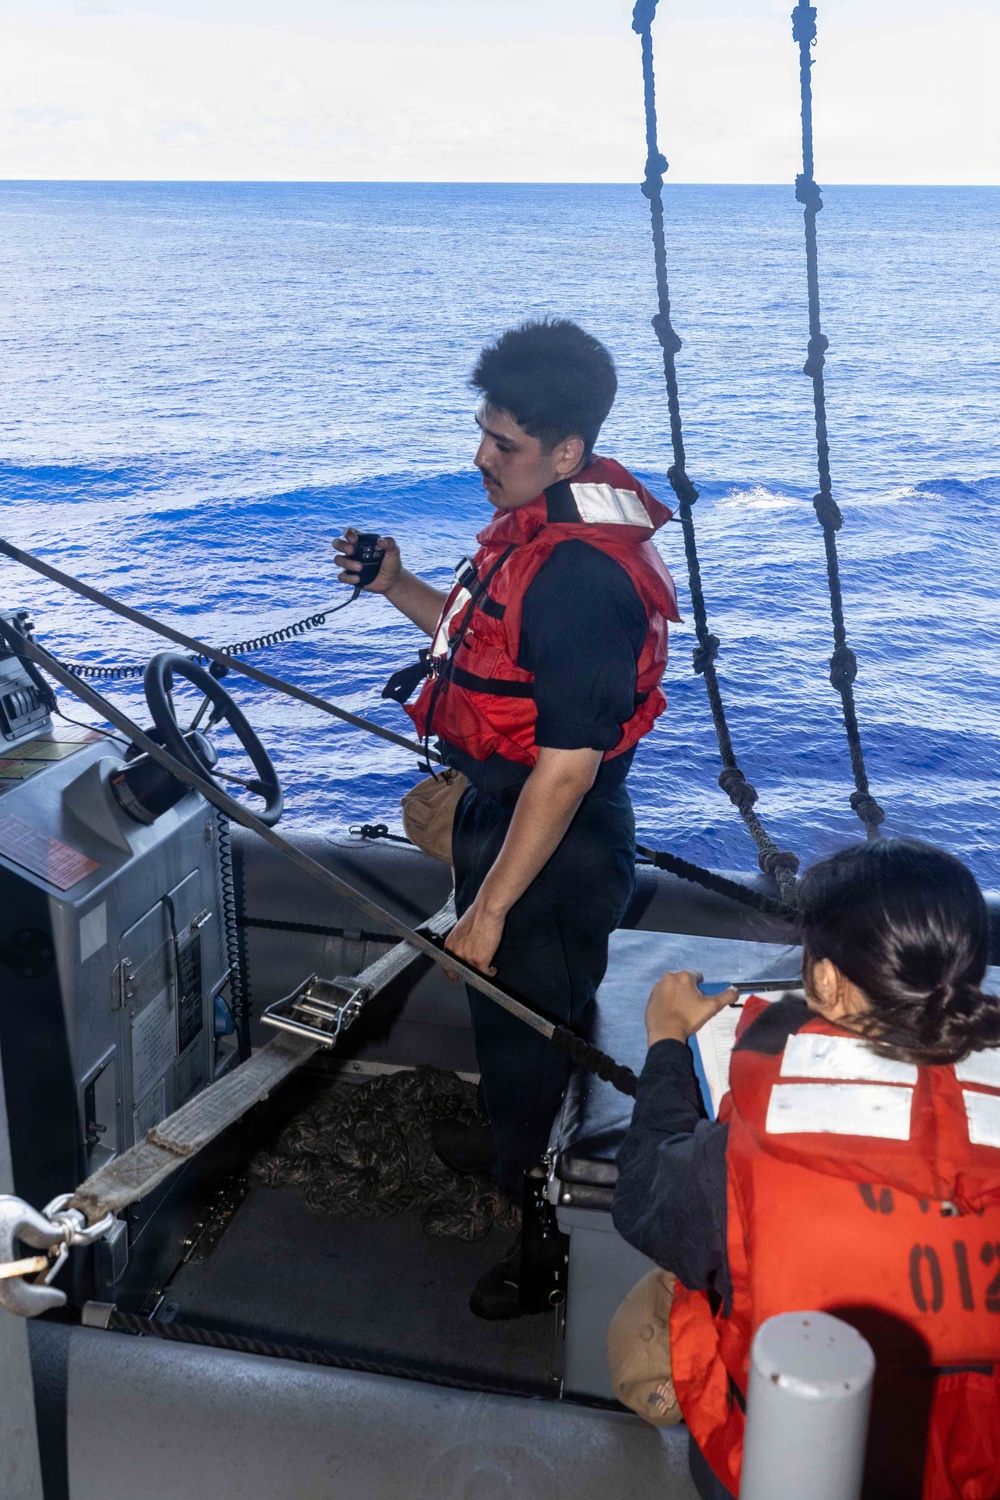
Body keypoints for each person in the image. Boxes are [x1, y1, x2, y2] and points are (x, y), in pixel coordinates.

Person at [334, 317, 680, 1318]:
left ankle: (543, 1244)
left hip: (551, 844)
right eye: (482, 434)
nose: (481, 459)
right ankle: (505, 1144)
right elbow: (482, 649)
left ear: (566, 452)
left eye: (505, 445)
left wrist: (485, 910)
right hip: (505, 817)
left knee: (539, 1037)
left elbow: (567, 770)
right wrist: (397, 582)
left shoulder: (581, 575)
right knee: (511, 1024)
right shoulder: (545, 526)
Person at [612, 837, 1000, 1500]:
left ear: (823, 980)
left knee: (659, 1297)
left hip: (792, 1462)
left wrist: (667, 1041)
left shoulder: (748, 1158)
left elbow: (644, 1198)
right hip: (977, 1465)